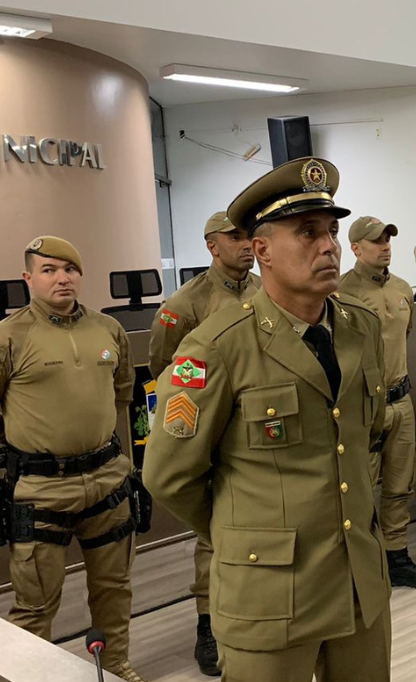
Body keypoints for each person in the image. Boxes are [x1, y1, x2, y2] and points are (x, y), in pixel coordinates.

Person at [143, 157, 391, 682]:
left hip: (358, 584)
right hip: (268, 595)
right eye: (307, 233)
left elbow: (360, 436)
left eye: (332, 231)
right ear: (261, 251)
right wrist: (245, 531)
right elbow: (169, 476)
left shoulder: (359, 327)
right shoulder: (216, 347)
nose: (329, 246)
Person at [0, 237, 145, 682]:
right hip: (41, 490)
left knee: (114, 589)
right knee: (35, 604)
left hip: (107, 480)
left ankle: (115, 665)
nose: (62, 278)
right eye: (49, 270)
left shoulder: (108, 329)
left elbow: (122, 392)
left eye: (70, 269)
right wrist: (25, 437)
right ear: (28, 278)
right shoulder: (1, 340)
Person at [147, 211, 260, 676]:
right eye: (234, 237)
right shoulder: (185, 304)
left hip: (259, 429)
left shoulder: (265, 289)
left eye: (248, 236)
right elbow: (165, 371)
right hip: (212, 431)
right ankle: (208, 624)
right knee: (214, 534)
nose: (245, 244)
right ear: (212, 246)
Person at [339, 215, 416, 590]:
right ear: (355, 248)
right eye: (376, 241)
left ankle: (396, 556)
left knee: (401, 485)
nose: (385, 247)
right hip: (363, 407)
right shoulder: (340, 293)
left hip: (401, 400)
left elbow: (403, 336)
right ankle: (360, 565)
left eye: (387, 240)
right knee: (361, 489)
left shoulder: (402, 289)